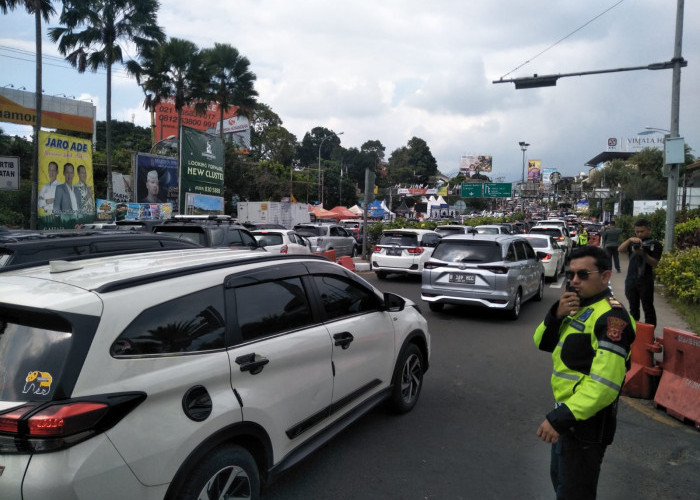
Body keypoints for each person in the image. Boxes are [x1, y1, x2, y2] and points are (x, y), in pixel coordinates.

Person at [534, 245, 636, 500]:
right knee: (561, 485)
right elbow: (542, 342)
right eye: (571, 275)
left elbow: (605, 384)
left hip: (585, 425)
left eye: (583, 275)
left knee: (574, 493)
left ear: (604, 277)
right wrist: (556, 314)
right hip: (568, 419)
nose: (574, 281)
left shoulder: (613, 319)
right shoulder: (579, 306)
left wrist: (560, 419)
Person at [618, 218, 662, 327]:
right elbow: (620, 249)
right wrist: (629, 240)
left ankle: (649, 334)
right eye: (637, 232)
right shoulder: (634, 243)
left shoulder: (654, 244)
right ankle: (634, 332)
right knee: (633, 308)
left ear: (648, 230)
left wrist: (643, 254)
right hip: (631, 280)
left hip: (645, 280)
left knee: (648, 308)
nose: (639, 234)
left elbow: (655, 263)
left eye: (642, 231)